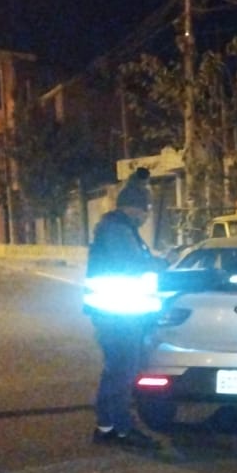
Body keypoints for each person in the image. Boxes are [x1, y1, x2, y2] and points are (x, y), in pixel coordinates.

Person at [82, 169, 164, 450]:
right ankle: (123, 429)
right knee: (123, 372)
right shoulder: (117, 230)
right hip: (118, 315)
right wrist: (161, 265)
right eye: (145, 209)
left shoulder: (117, 228)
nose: (146, 216)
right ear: (134, 208)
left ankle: (106, 427)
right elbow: (133, 265)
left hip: (115, 314)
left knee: (115, 370)